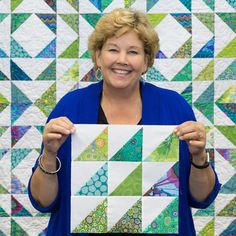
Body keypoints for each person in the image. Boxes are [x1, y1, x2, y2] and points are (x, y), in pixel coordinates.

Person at [28, 8, 221, 235]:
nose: (122, 60)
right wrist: (49, 155)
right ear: (98, 56)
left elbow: (201, 198)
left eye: (133, 52)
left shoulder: (174, 108)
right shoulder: (70, 108)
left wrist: (199, 157)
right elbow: (42, 201)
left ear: (146, 61)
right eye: (113, 49)